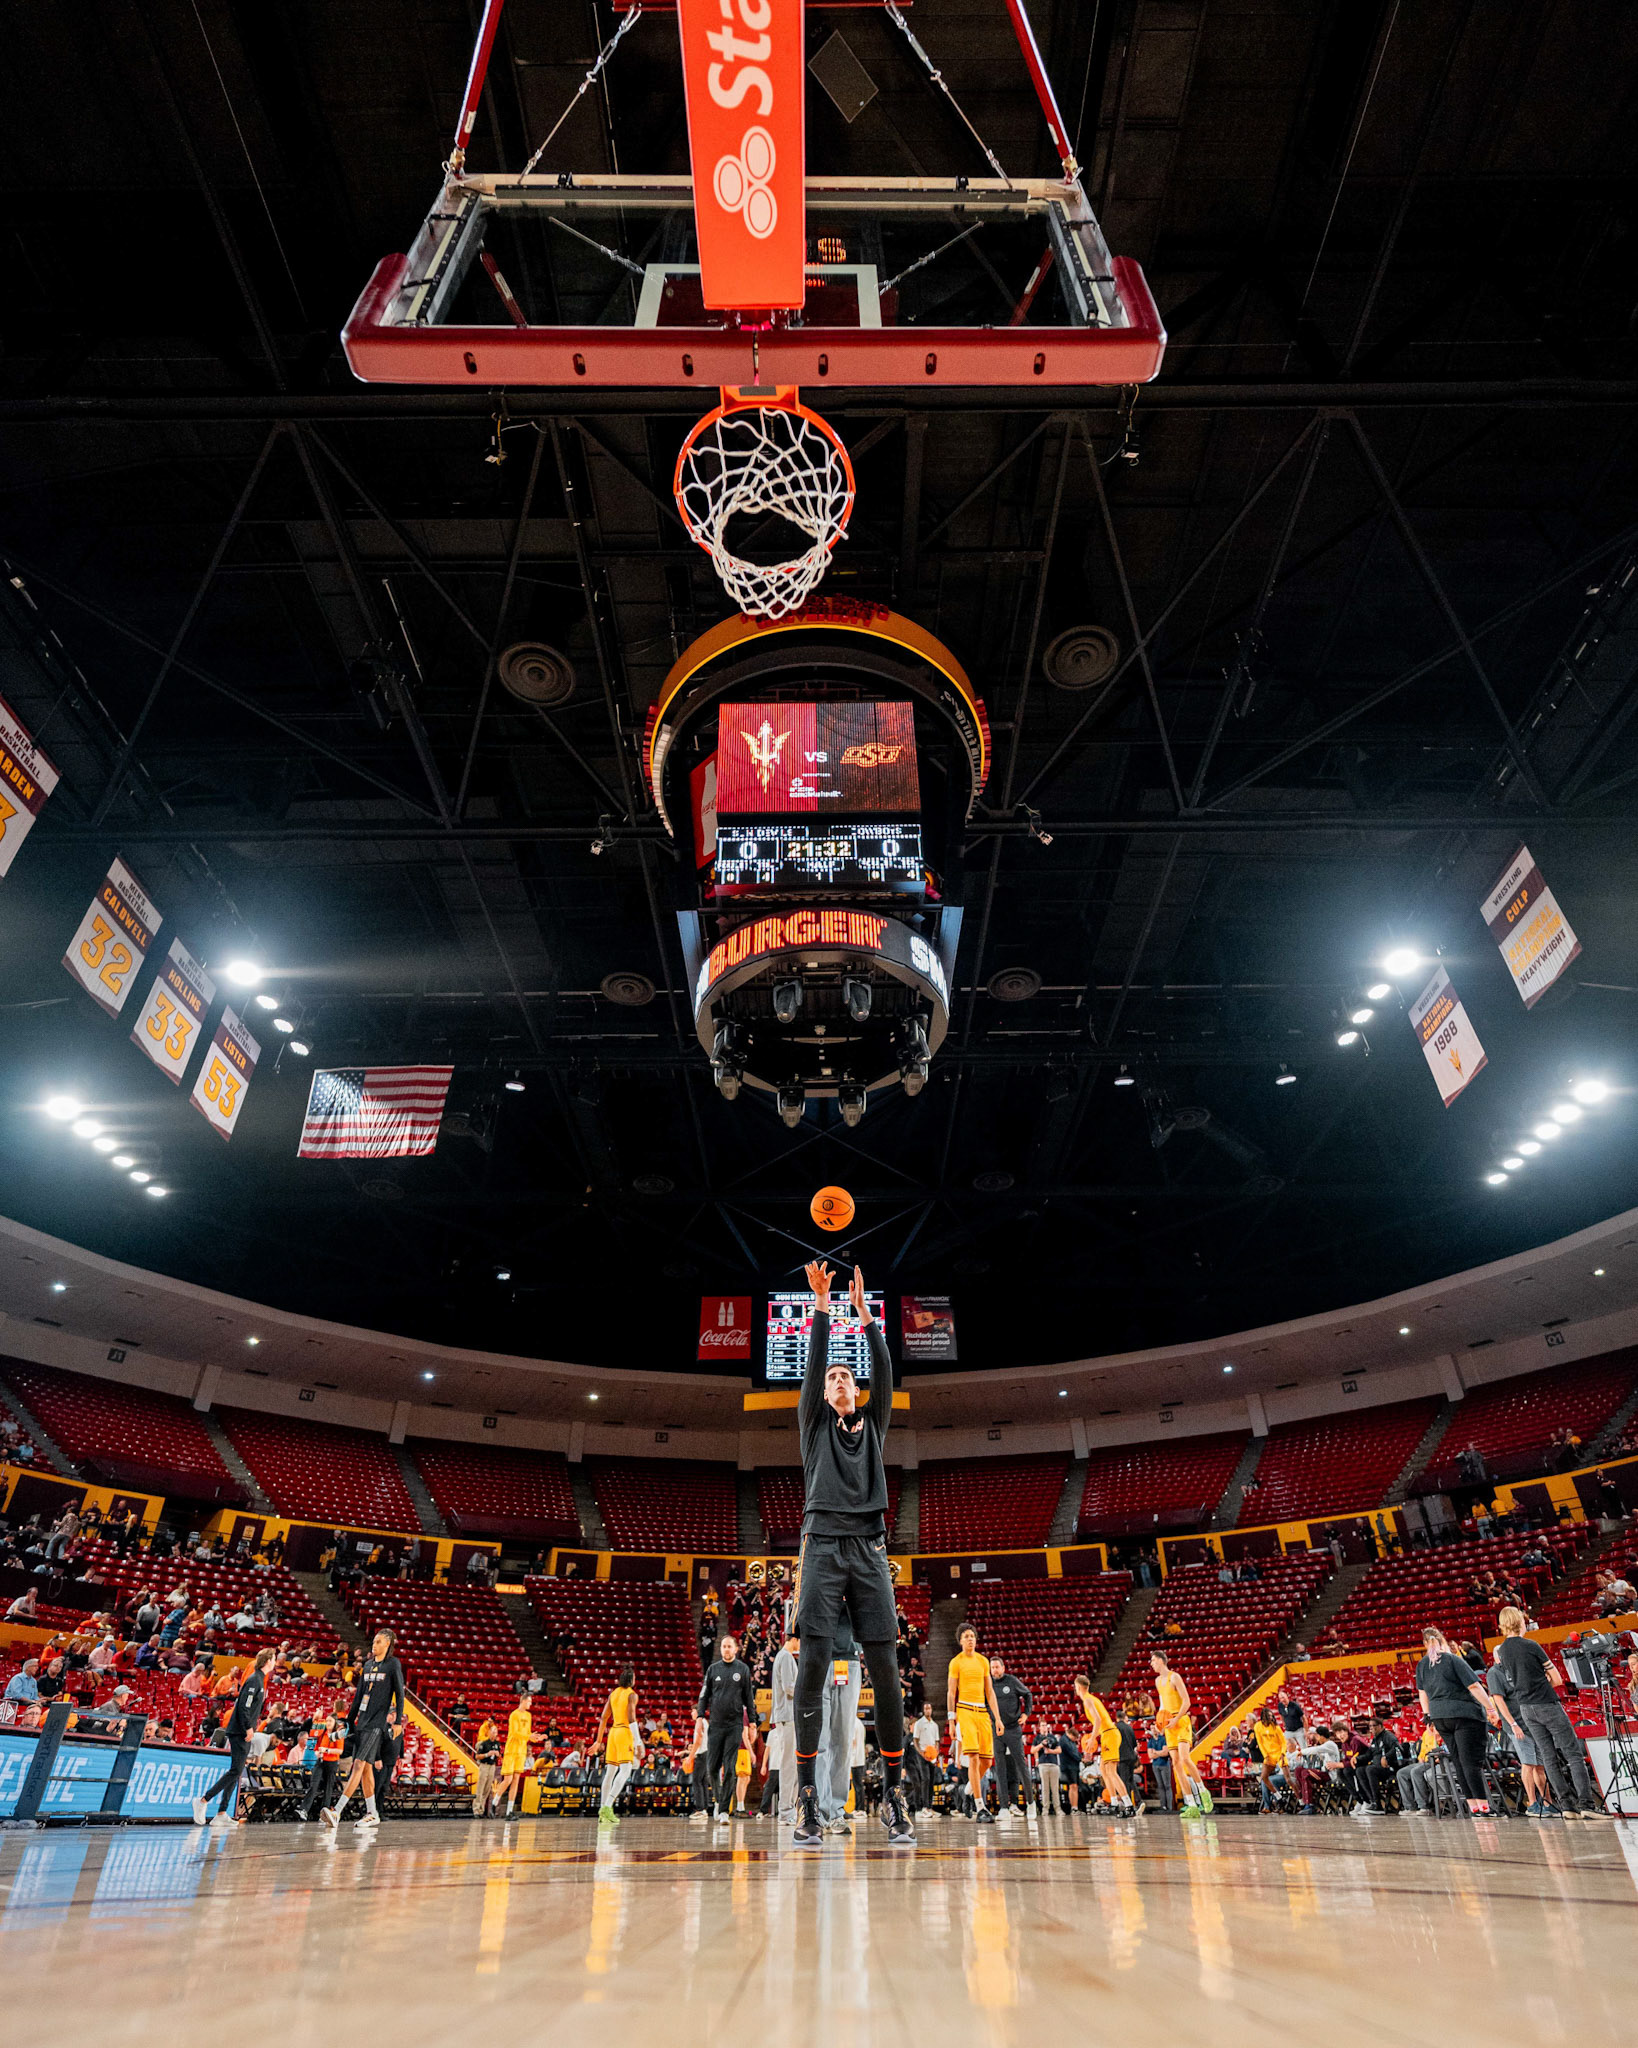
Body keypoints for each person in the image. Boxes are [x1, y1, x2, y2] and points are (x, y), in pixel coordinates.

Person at [790, 1261, 912, 1849]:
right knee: (813, 1665)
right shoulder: (814, 1424)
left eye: (845, 1375)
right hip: (821, 1548)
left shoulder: (876, 1424)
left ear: (856, 1390)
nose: (837, 1380)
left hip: (868, 1548)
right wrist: (820, 1307)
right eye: (832, 1376)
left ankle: (893, 1795)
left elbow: (885, 1369)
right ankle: (807, 1799)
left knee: (886, 1669)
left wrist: (864, 1317)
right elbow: (811, 1369)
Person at [1494, 1607, 1608, 1820]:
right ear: (1521, 1622)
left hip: (1526, 1709)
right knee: (1573, 1754)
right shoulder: (1531, 1645)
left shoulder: (1502, 1651)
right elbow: (1556, 1679)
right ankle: (1586, 1805)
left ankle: (1566, 1806)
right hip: (1546, 1703)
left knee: (1548, 1757)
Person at [321, 1629, 406, 1832]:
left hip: (377, 1725)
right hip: (362, 1723)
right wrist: (348, 1722)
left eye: (378, 1642)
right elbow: (359, 1696)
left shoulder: (393, 1664)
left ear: (387, 1644)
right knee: (366, 1769)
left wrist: (397, 1722)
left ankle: (337, 1811)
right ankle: (372, 1813)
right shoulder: (367, 1665)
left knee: (358, 1765)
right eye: (373, 1642)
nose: (373, 1645)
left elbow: (399, 1693)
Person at [1415, 1625, 1501, 1816]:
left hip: (1440, 1717)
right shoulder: (1452, 1660)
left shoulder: (1421, 1665)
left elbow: (1423, 1694)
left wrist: (1428, 1716)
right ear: (1442, 1641)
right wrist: (1490, 1708)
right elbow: (1474, 1686)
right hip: (1463, 1715)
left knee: (1459, 1762)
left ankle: (1473, 1807)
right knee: (1470, 1762)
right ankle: (1484, 1808)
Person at [191, 1646, 274, 1826]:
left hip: (243, 1731)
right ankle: (203, 1800)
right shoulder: (255, 1680)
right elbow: (244, 1706)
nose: (274, 1662)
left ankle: (221, 1812)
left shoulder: (261, 1680)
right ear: (268, 1661)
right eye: (273, 1659)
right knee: (236, 1770)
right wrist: (248, 1728)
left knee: (236, 1771)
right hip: (239, 1731)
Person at [696, 1631, 757, 1825]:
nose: (726, 1649)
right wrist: (699, 1716)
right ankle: (719, 1800)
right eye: (724, 1646)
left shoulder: (743, 1669)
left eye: (730, 1646)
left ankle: (723, 1810)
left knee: (730, 1767)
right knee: (712, 1767)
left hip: (735, 1725)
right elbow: (704, 1696)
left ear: (736, 1649)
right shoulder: (713, 1670)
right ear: (720, 1649)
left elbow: (749, 1697)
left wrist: (753, 1722)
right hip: (715, 1724)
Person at [947, 1624, 1002, 1825]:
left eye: (973, 1636)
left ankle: (967, 1791)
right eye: (966, 1636)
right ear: (960, 1640)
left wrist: (997, 1718)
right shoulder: (956, 1662)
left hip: (982, 1712)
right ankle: (981, 1807)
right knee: (973, 1757)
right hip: (965, 1710)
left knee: (987, 1761)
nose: (970, 1639)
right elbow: (951, 1693)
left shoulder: (983, 1661)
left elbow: (990, 1692)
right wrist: (952, 1720)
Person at [1151, 1651, 1213, 1816]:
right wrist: (1160, 1724)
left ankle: (1203, 1792)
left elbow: (1187, 1701)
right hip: (1169, 1725)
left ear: (1162, 1661)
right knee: (1176, 1764)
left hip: (1181, 1721)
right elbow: (1163, 1705)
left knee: (1185, 1758)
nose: (1152, 1663)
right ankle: (1191, 1804)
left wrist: (1176, 1719)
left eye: (1154, 1660)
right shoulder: (1157, 1681)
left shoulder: (1174, 1677)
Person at [1072, 1673, 1135, 1818]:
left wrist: (1091, 1739)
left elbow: (1098, 1720)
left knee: (1111, 1772)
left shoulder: (1087, 1700)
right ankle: (1113, 1802)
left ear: (1079, 1687)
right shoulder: (1090, 1699)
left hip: (1110, 1734)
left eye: (1075, 1687)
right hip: (1107, 1734)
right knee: (1103, 1770)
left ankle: (1128, 1805)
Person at [988, 1655, 1037, 1821]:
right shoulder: (987, 1684)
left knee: (1021, 1765)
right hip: (996, 1730)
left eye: (997, 1667)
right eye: (992, 1667)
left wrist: (1026, 1714)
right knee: (1000, 1768)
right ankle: (1003, 1807)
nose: (994, 1670)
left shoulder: (1012, 1681)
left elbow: (1028, 1695)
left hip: (1013, 1728)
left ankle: (1031, 1803)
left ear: (1003, 1668)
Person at [594, 1666, 642, 1824]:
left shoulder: (613, 1694)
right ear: (631, 1680)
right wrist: (638, 1741)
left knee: (610, 1773)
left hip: (612, 1733)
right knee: (626, 1771)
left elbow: (603, 1717)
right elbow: (631, 1717)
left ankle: (602, 1809)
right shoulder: (632, 1695)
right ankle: (607, 1806)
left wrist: (598, 1741)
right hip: (624, 1732)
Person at [492, 1685, 538, 1819]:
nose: (530, 1704)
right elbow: (516, 1733)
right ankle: (496, 1800)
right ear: (523, 1701)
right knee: (508, 1779)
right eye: (529, 1702)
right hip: (511, 1750)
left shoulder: (529, 1716)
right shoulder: (514, 1715)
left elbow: (527, 1733)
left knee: (516, 1780)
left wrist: (534, 1738)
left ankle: (509, 1811)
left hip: (521, 1750)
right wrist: (528, 1736)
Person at [769, 1629, 798, 1824]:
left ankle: (789, 1808)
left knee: (791, 1764)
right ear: (795, 1639)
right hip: (787, 1716)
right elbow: (790, 1688)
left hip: (785, 1716)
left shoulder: (783, 1656)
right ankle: (786, 1810)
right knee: (788, 1765)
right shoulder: (786, 1657)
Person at [1253, 1706, 1288, 1811]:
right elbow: (1260, 1742)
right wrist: (1265, 1755)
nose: (1271, 1718)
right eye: (1269, 1716)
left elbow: (1283, 1742)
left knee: (1286, 1777)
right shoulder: (1257, 1726)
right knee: (1263, 1777)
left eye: (1272, 1716)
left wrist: (1282, 1753)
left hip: (1278, 1753)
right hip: (1268, 1755)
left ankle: (1279, 1802)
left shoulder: (1276, 1727)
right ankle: (1279, 1798)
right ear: (1263, 1717)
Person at [912, 1703, 942, 1818]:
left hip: (932, 1755)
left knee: (931, 1781)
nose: (927, 1710)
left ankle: (930, 1807)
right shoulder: (919, 1723)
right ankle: (924, 1807)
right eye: (925, 1708)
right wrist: (921, 1753)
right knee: (925, 1779)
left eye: (929, 1708)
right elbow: (915, 1740)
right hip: (922, 1754)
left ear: (932, 1709)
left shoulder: (934, 1725)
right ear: (923, 1710)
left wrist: (936, 1752)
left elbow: (937, 1741)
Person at [473, 1717, 501, 1817]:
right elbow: (477, 1756)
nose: (494, 1732)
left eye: (496, 1731)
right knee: (480, 1788)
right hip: (484, 1765)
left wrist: (498, 1755)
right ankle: (476, 1809)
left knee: (487, 1789)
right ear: (489, 1732)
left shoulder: (497, 1744)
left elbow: (500, 1756)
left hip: (492, 1766)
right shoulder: (484, 1743)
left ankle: (482, 1809)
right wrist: (487, 1754)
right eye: (493, 1731)